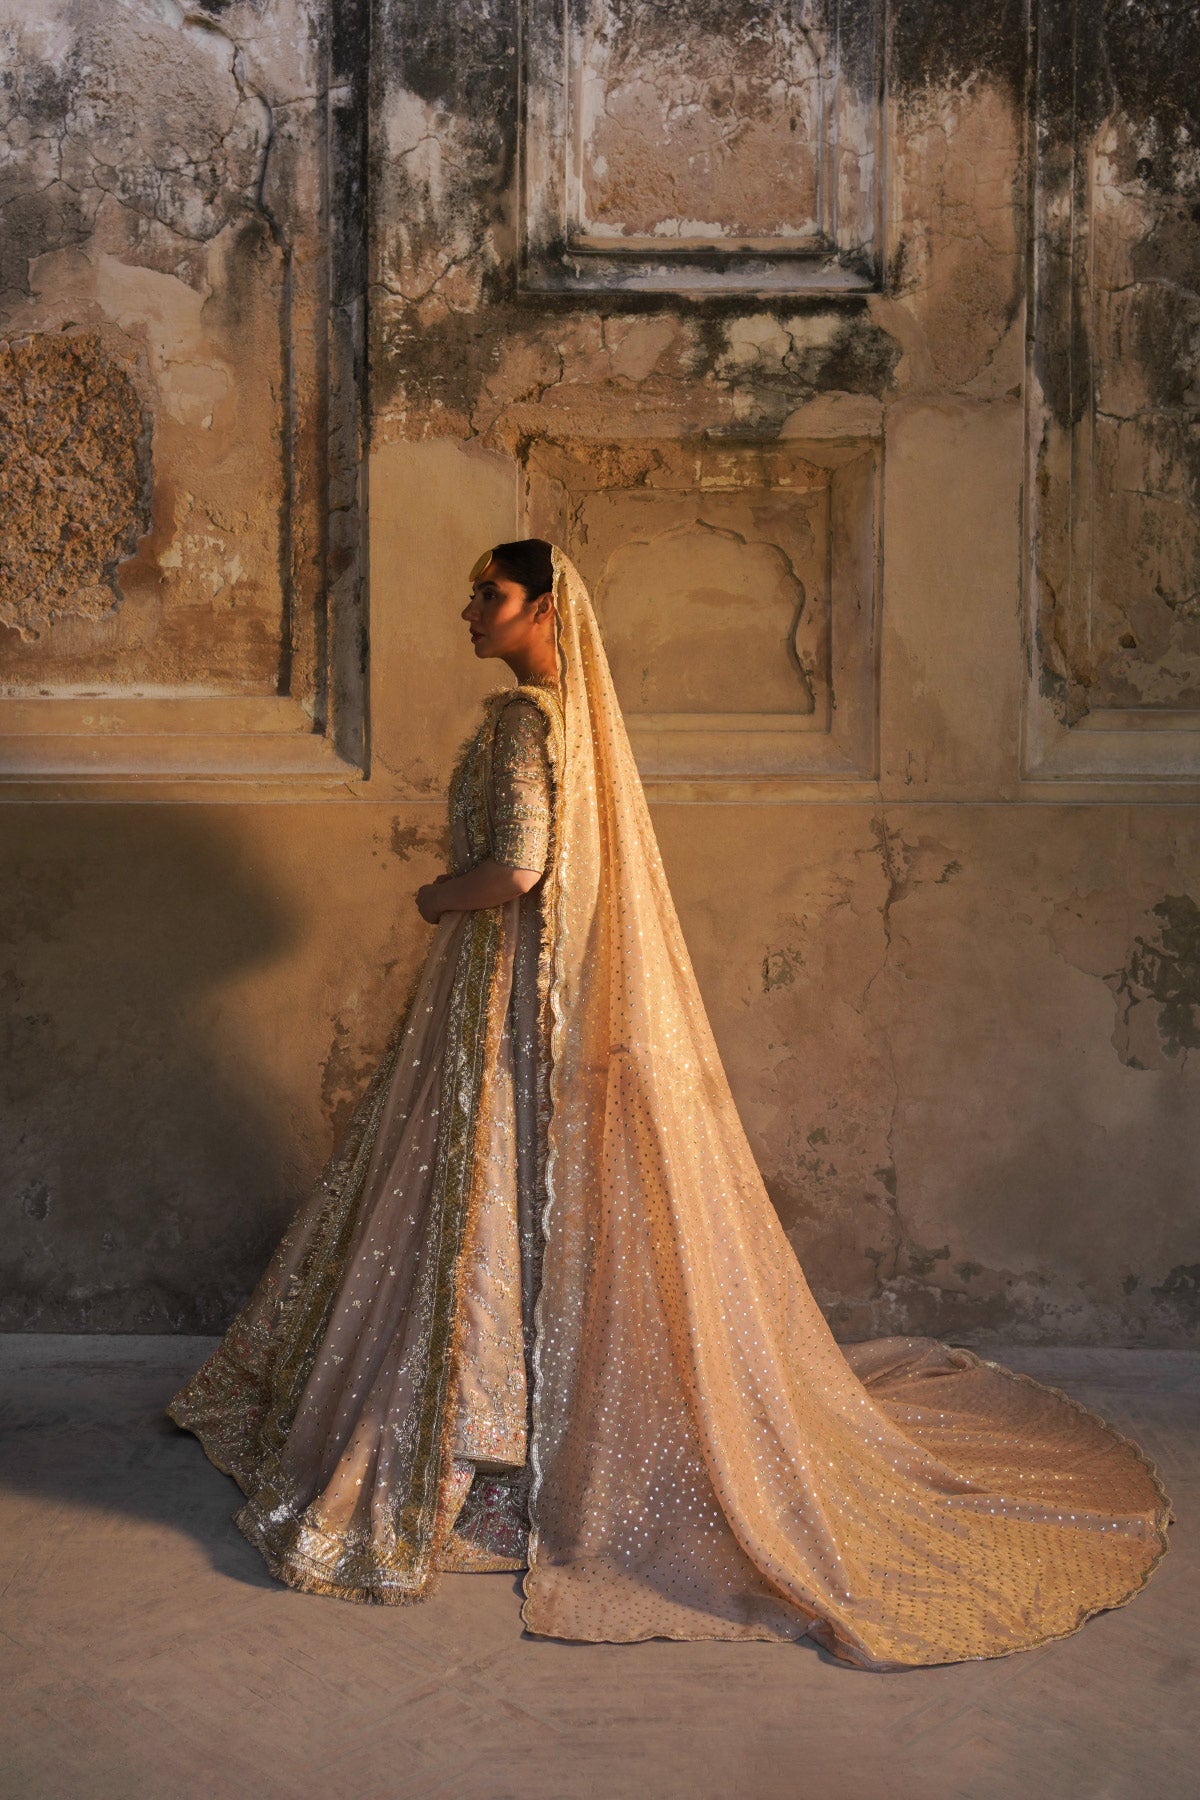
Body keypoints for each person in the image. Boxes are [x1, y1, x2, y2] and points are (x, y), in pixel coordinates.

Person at [169, 540, 1172, 1669]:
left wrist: (435, 895)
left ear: (545, 609)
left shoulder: (522, 726)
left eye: (488, 595)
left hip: (501, 994)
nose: (468, 610)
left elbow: (520, 869)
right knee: (514, 1214)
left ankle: (482, 1452)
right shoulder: (575, 727)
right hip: (539, 993)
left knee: (484, 1206)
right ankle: (521, 1444)